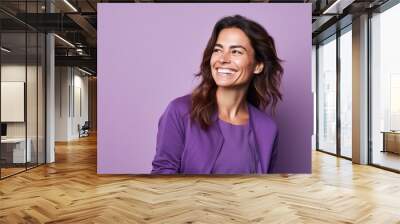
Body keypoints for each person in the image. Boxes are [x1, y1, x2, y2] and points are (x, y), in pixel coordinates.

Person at [151, 15, 283, 174]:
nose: (222, 59)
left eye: (236, 51)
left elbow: (265, 189)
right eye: (218, 50)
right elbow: (163, 177)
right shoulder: (180, 111)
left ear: (258, 66)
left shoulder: (268, 128)